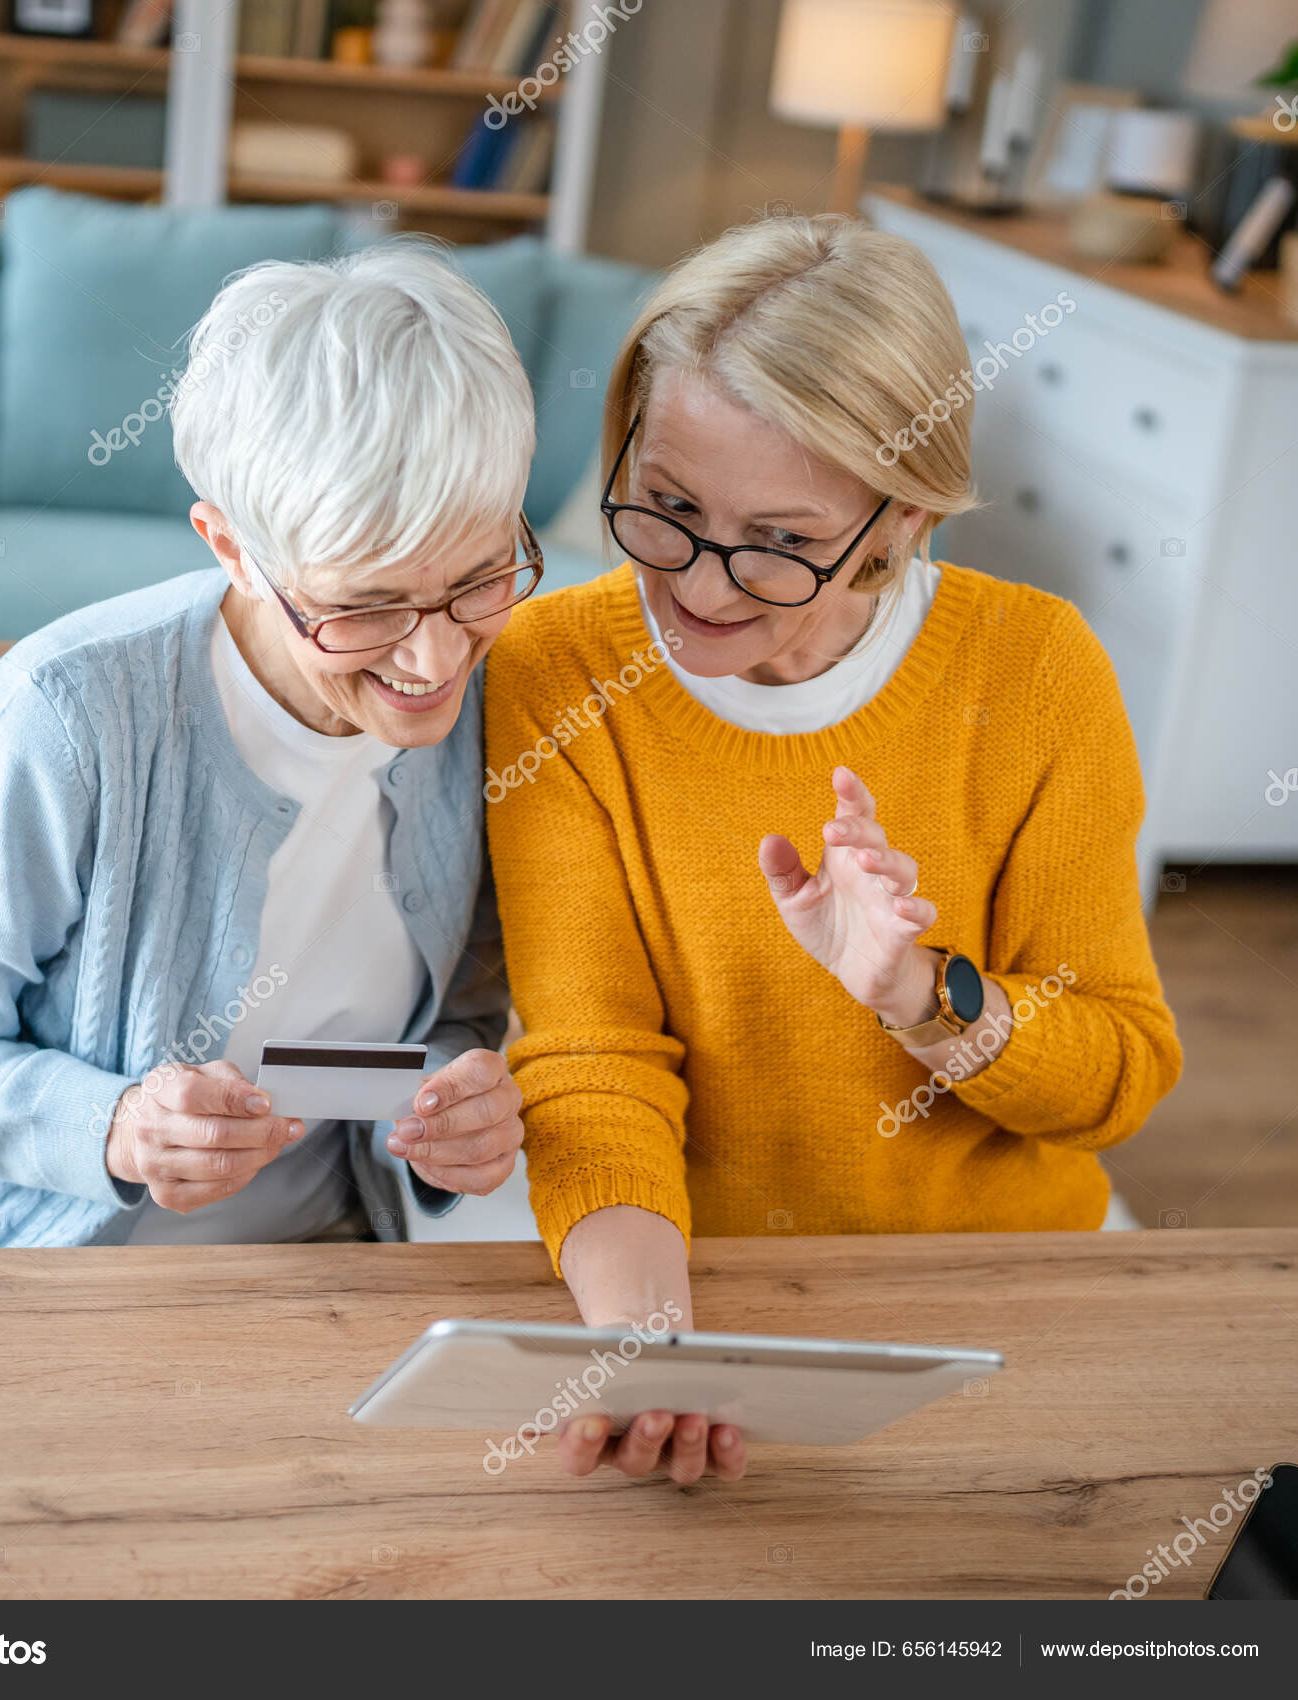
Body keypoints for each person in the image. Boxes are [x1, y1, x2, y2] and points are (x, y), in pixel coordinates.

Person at [484, 213, 1182, 1483]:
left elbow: (1119, 1076)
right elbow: (593, 1061)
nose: (697, 586)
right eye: (668, 505)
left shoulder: (1035, 670)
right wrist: (648, 1345)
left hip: (997, 1295)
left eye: (781, 542)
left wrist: (923, 997)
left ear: (901, 523)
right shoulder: (556, 668)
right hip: (697, 1277)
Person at [0, 245, 537, 1251]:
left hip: (306, 1275)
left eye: (482, 573)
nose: (436, 653)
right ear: (231, 547)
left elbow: (451, 1019)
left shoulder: (510, 706)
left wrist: (455, 1108)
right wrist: (111, 1126)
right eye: (365, 604)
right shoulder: (67, 715)